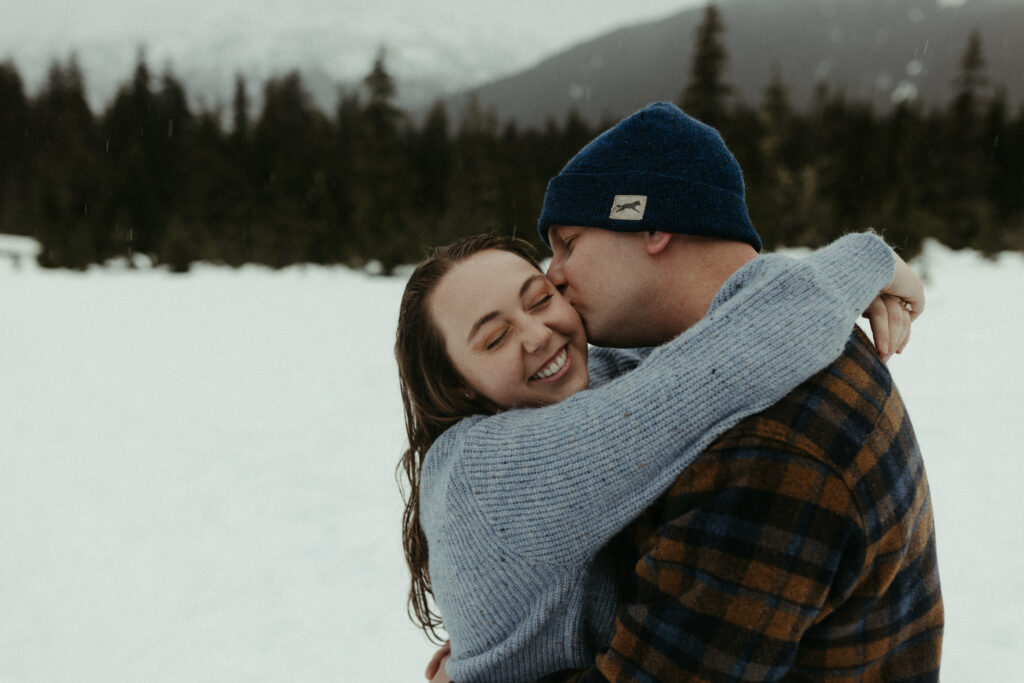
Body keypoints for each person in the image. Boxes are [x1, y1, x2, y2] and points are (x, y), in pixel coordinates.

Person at [530, 102, 943, 681]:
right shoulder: (780, 350)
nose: (554, 274)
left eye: (569, 242)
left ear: (652, 224)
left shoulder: (772, 438)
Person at [397, 228, 922, 677]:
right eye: (494, 339)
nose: (539, 334)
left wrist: (821, 292)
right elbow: (709, 374)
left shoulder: (585, 380)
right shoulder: (480, 474)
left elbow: (716, 314)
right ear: (459, 386)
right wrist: (867, 260)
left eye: (540, 300)